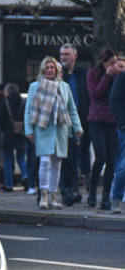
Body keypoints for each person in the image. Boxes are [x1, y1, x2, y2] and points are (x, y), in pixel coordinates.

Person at [25, 56, 83, 210]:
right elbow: (29, 110)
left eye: (52, 68)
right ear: (43, 70)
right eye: (47, 67)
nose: (50, 70)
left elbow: (72, 109)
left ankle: (53, 196)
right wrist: (29, 130)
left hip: (61, 129)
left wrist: (77, 128)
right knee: (45, 162)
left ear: (56, 70)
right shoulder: (35, 86)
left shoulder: (64, 86)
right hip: (43, 128)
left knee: (57, 165)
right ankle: (43, 194)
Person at [86, 48, 120, 210]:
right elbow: (95, 94)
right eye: (111, 63)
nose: (114, 66)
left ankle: (106, 196)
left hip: (113, 121)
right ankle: (92, 189)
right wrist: (107, 76)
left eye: (116, 62)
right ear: (103, 62)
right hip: (97, 120)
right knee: (101, 156)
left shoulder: (119, 76)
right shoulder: (93, 74)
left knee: (112, 159)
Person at [60, 43, 91, 191]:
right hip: (64, 121)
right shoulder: (59, 75)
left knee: (83, 151)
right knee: (68, 156)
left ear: (75, 56)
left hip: (83, 118)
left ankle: (86, 180)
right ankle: (69, 187)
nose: (63, 57)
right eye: (62, 54)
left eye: (67, 54)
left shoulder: (83, 74)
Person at [0, 83, 28, 192]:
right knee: (21, 158)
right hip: (20, 133)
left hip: (8, 133)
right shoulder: (23, 102)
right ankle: (25, 176)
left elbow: (0, 118)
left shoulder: (4, 103)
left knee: (8, 160)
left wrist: (4, 129)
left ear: (8, 91)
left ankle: (9, 185)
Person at [108, 60, 125, 213]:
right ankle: (117, 198)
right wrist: (122, 123)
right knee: (123, 166)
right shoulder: (122, 77)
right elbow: (114, 100)